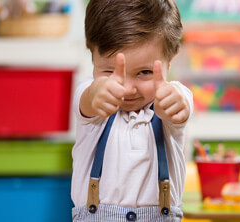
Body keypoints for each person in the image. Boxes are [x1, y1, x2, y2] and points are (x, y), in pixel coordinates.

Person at [71, 0, 193, 221]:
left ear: (170, 60)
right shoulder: (92, 101)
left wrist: (174, 106)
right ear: (91, 56)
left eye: (144, 72)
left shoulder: (171, 98)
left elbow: (181, 102)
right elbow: (88, 98)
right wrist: (98, 90)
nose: (127, 89)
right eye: (109, 71)